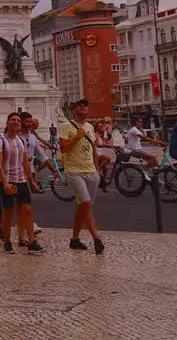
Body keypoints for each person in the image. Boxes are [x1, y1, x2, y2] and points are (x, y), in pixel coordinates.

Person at [59, 100, 105, 254]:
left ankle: (74, 239)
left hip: (91, 171)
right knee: (85, 203)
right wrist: (78, 137)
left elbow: (93, 149)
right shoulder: (66, 126)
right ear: (74, 110)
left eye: (85, 105)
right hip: (74, 171)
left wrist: (97, 170)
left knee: (83, 206)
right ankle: (96, 239)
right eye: (80, 105)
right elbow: (63, 147)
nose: (83, 107)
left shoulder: (90, 127)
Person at [0, 113, 37, 254]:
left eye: (18, 120)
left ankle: (31, 242)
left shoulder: (21, 141)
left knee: (27, 210)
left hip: (21, 179)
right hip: (8, 180)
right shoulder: (0, 141)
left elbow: (25, 163)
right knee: (8, 212)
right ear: (7, 122)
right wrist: (5, 182)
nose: (16, 122)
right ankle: (7, 240)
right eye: (13, 120)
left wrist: (31, 181)